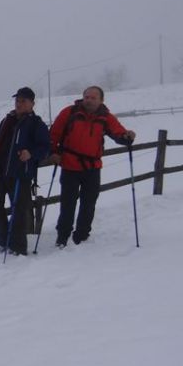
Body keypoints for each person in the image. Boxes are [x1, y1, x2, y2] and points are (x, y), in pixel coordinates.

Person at [49, 85, 135, 247]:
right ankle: (62, 236)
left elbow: (118, 133)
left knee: (89, 203)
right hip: (69, 165)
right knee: (68, 203)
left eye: (93, 98)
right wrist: (53, 152)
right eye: (86, 97)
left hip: (92, 167)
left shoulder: (106, 117)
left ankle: (81, 235)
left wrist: (126, 136)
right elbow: (54, 134)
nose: (88, 100)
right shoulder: (70, 112)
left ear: (101, 100)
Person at [0, 87, 50, 256]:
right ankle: (3, 240)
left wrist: (31, 154)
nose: (19, 104)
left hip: (20, 173)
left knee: (19, 210)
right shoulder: (7, 120)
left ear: (32, 103)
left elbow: (45, 147)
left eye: (23, 101)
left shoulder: (36, 124)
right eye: (17, 100)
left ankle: (18, 247)